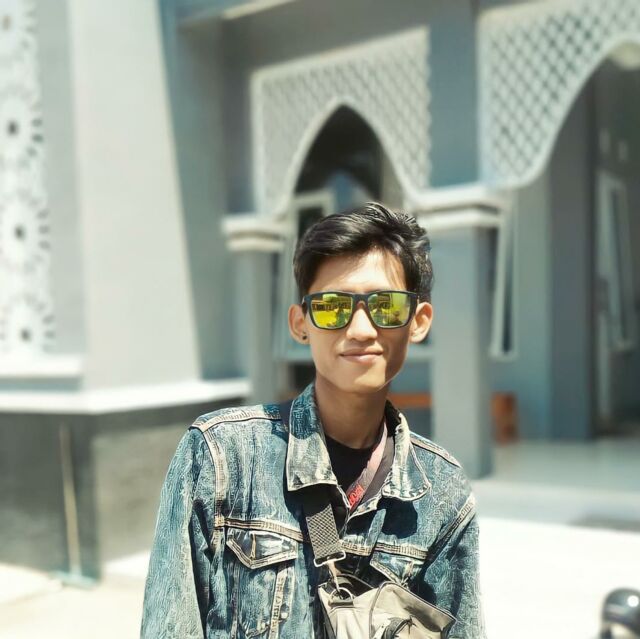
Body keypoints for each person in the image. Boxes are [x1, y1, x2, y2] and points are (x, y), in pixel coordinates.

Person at [140, 202, 486, 638]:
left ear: (418, 322)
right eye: (333, 307)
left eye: (385, 306)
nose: (360, 329)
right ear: (300, 323)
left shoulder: (443, 493)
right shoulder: (220, 458)